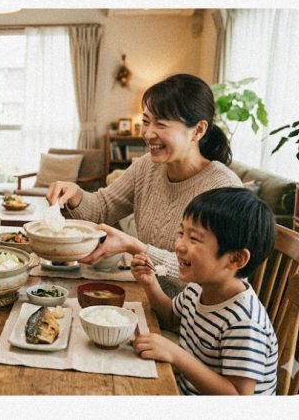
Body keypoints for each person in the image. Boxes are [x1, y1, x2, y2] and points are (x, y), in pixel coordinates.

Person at [46, 73, 242, 298]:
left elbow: (210, 277)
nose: (148, 134)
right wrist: (75, 194)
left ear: (198, 130)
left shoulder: (223, 188)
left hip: (188, 318)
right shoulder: (147, 166)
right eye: (146, 121)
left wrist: (135, 247)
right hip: (146, 297)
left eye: (161, 124)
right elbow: (103, 208)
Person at [131, 187, 278, 395]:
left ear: (235, 259)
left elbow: (238, 398)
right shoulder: (198, 287)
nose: (180, 245)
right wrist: (150, 282)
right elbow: (171, 318)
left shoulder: (244, 323)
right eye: (181, 233)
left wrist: (176, 355)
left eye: (194, 239)